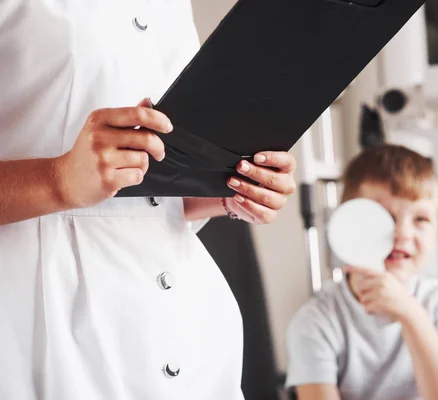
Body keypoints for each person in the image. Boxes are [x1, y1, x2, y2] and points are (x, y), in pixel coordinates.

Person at [0, 2, 296, 399]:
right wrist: (58, 180)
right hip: (42, 337)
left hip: (191, 338)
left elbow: (148, 186)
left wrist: (228, 188)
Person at [285, 145, 438, 400]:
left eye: (420, 219)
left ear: (437, 232)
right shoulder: (316, 321)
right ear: (349, 224)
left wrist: (410, 314)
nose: (403, 234)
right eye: (384, 216)